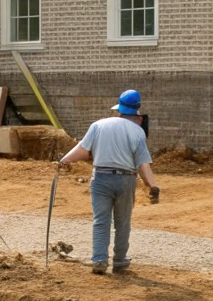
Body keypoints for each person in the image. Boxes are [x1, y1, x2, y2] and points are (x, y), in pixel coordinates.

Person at [58, 89, 161, 275]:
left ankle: (99, 260)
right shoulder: (138, 132)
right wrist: (152, 185)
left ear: (119, 108)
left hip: (101, 178)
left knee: (100, 221)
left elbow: (82, 150)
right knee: (122, 222)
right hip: (125, 180)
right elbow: (143, 165)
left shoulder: (99, 125)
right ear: (137, 111)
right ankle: (120, 261)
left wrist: (64, 160)